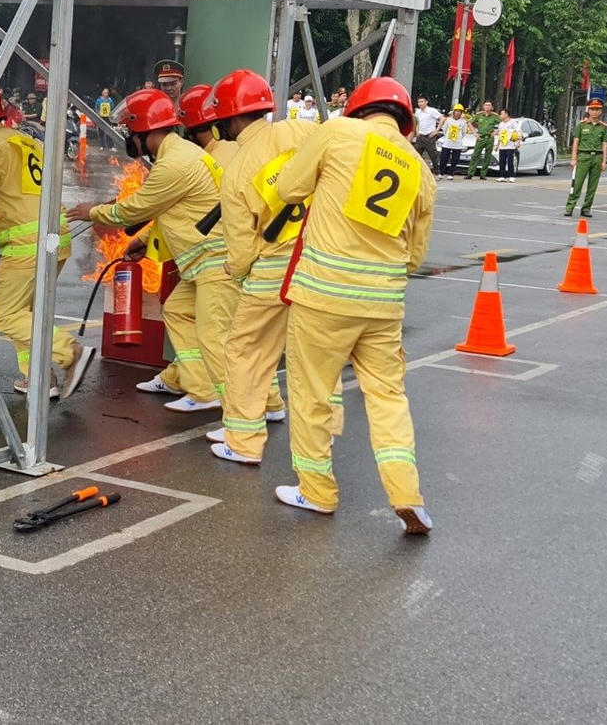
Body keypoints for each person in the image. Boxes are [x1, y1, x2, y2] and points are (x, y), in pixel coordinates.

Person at [275, 76, 435, 535]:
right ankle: (408, 496)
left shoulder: (337, 133)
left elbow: (288, 188)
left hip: (324, 295)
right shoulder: (418, 167)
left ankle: (317, 491)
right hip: (384, 304)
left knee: (311, 393)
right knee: (387, 397)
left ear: (358, 109)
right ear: (404, 121)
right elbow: (416, 256)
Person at [68, 89, 233, 415]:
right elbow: (174, 209)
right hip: (205, 259)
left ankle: (238, 409)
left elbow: (133, 210)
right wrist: (144, 242)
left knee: (216, 336)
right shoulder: (183, 153)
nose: (131, 139)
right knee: (177, 311)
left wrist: (93, 212)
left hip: (217, 260)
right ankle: (196, 385)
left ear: (145, 129)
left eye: (131, 131)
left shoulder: (174, 164)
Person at [0, 84, 94, 399]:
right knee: (24, 312)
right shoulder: (25, 140)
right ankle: (38, 379)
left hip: (28, 245)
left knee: (6, 316)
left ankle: (70, 353)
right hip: (56, 238)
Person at [197, 70, 303, 464]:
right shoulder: (300, 133)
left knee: (244, 349)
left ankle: (242, 441)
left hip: (274, 265)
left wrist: (234, 271)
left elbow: (241, 251)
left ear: (226, 118)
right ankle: (273, 407)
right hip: (315, 258)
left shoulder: (238, 168)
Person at [565, 99, 607, 217]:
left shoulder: (604, 127)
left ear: (601, 111)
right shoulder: (581, 125)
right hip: (584, 156)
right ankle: (570, 207)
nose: (595, 112)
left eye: (597, 109)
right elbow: (576, 141)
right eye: (592, 109)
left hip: (597, 157)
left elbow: (605, 144)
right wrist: (573, 158)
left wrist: (604, 161)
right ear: (588, 110)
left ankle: (586, 208)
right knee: (577, 183)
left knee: (592, 185)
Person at [465, 101, 499, 180]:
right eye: (486, 105)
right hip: (480, 137)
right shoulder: (479, 115)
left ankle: (483, 174)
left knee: (487, 156)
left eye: (489, 105)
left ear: (491, 107)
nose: (487, 107)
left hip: (489, 138)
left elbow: (503, 124)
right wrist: (474, 132)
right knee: (475, 155)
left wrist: (495, 132)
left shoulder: (494, 116)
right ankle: (470, 173)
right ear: (483, 107)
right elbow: (469, 122)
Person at [412, 97, 443, 177]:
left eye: (422, 101)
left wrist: (436, 130)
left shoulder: (432, 111)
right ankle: (414, 171)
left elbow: (442, 119)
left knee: (433, 155)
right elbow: (416, 121)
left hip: (429, 136)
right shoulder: (418, 112)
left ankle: (437, 173)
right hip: (420, 136)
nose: (420, 103)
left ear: (426, 102)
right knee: (415, 155)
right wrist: (417, 131)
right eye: (419, 102)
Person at [438, 103, 468, 180]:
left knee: (455, 159)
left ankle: (451, 173)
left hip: (457, 143)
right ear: (454, 112)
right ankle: (441, 172)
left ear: (461, 113)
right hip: (447, 142)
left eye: (459, 111)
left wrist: (459, 137)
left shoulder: (463, 122)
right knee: (444, 158)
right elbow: (444, 130)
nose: (458, 113)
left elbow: (464, 132)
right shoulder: (448, 120)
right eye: (456, 111)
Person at [495, 109, 522, 182]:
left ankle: (512, 176)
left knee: (510, 161)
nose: (500, 115)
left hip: (510, 145)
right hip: (502, 145)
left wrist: (518, 141)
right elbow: (500, 135)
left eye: (501, 114)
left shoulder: (513, 122)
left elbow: (518, 131)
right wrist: (497, 145)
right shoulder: (501, 124)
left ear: (506, 114)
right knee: (502, 161)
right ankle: (502, 176)